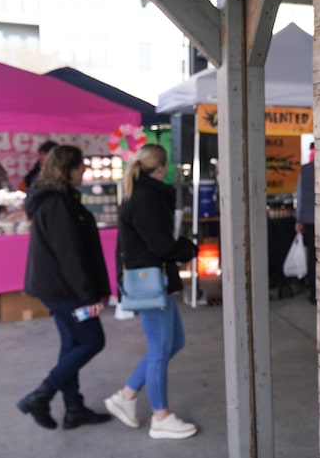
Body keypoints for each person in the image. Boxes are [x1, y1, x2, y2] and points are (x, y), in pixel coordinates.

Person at [105, 143, 199, 440]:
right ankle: (160, 417)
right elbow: (162, 245)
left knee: (174, 342)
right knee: (160, 349)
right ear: (161, 167)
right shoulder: (147, 198)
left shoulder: (142, 193)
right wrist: (190, 248)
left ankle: (127, 395)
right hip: (150, 282)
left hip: (152, 279)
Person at [18, 145, 112, 430]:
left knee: (72, 344)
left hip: (58, 288)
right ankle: (41, 395)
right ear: (66, 170)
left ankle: (74, 409)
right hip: (64, 290)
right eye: (79, 166)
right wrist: (88, 297)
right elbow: (69, 254)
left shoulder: (61, 198)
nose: (84, 170)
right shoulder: (56, 203)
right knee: (92, 341)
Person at [295, 141, 316, 304]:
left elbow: (300, 197)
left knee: (312, 257)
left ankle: (313, 293)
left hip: (309, 219)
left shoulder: (306, 170)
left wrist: (298, 219)